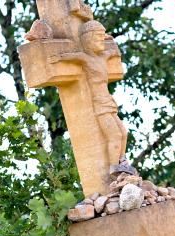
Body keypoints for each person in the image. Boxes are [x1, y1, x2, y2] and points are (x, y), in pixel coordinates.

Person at [48, 20, 128, 166]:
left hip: (108, 100)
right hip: (98, 102)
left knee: (123, 133)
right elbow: (68, 56)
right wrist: (55, 58)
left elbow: (115, 51)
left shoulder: (103, 56)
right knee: (114, 135)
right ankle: (114, 170)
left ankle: (122, 164)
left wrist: (109, 38)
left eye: (102, 36)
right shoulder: (85, 57)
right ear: (88, 39)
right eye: (98, 37)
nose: (102, 40)